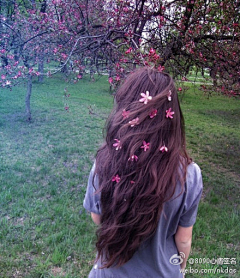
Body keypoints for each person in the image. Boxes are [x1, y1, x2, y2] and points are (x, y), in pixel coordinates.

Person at [83, 67, 203, 278]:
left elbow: (97, 217)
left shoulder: (104, 163)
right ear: (171, 116)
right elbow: (184, 239)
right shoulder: (189, 174)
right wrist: (180, 268)